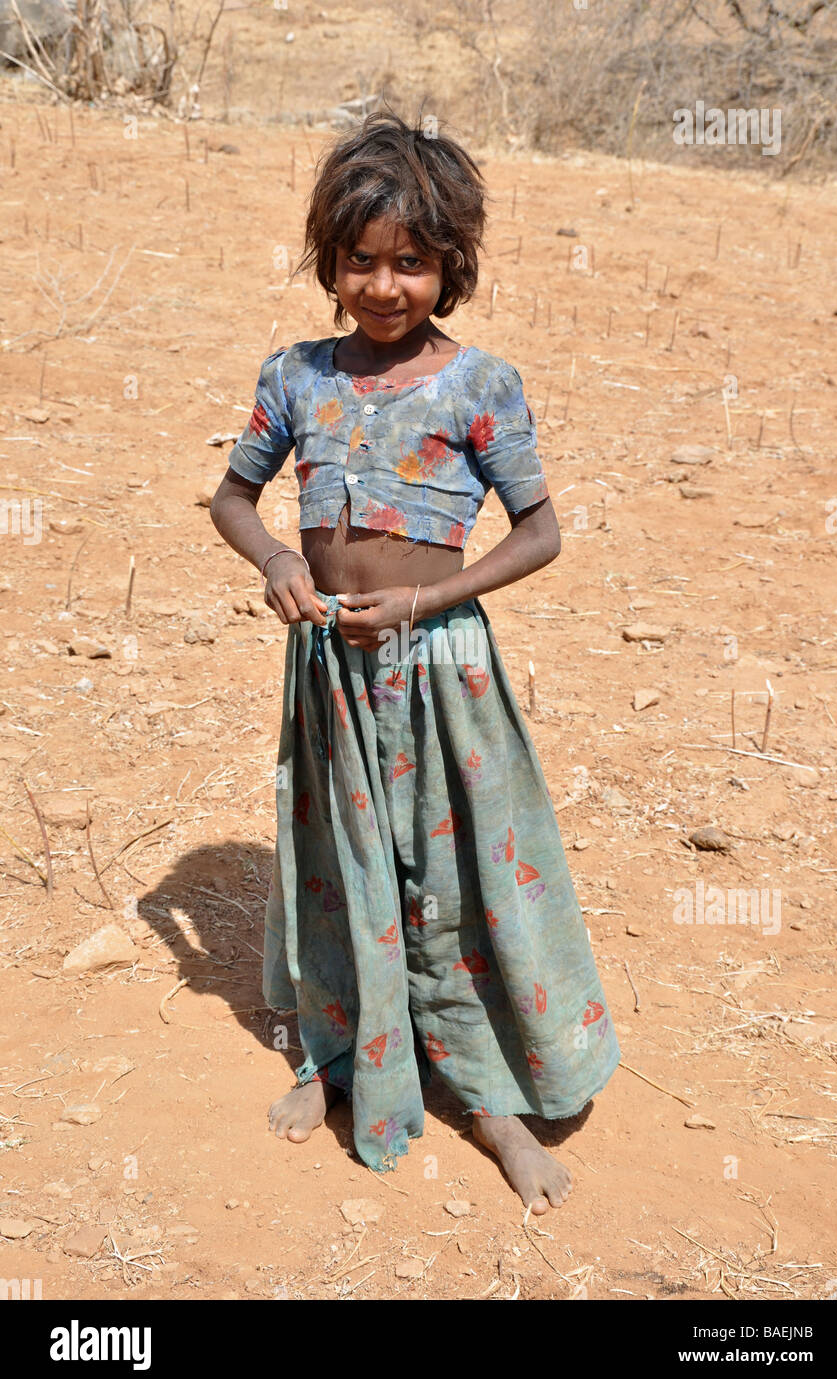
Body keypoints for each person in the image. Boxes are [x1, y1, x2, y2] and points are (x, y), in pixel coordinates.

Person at [210, 108, 619, 1215]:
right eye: (361, 261)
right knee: (342, 868)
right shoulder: (293, 376)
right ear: (328, 261)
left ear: (452, 265)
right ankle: (340, 1062)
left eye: (411, 263)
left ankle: (490, 1103)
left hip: (440, 672)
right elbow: (233, 499)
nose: (384, 286)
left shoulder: (478, 384)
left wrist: (425, 598)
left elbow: (539, 531)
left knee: (453, 881)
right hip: (328, 675)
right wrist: (275, 561)